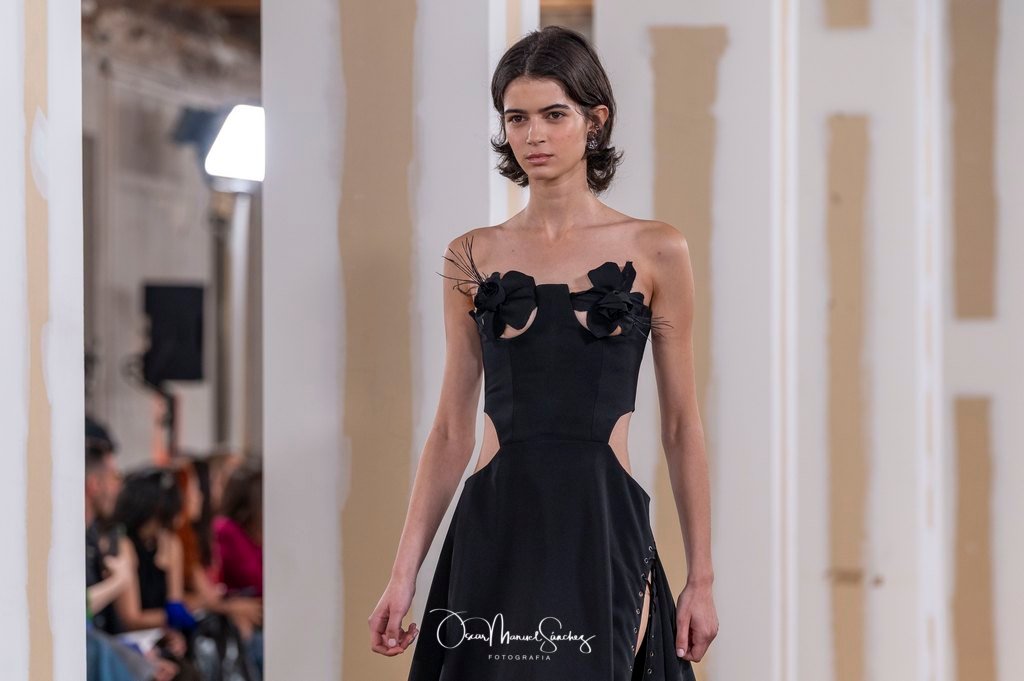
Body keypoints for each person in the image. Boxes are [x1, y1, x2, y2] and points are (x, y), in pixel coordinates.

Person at [370, 26, 717, 680]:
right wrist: (402, 574)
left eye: (554, 115)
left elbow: (681, 425)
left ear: (595, 120)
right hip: (496, 527)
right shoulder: (471, 255)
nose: (534, 135)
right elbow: (450, 429)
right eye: (517, 117)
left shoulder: (658, 249)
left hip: (602, 525)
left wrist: (701, 577)